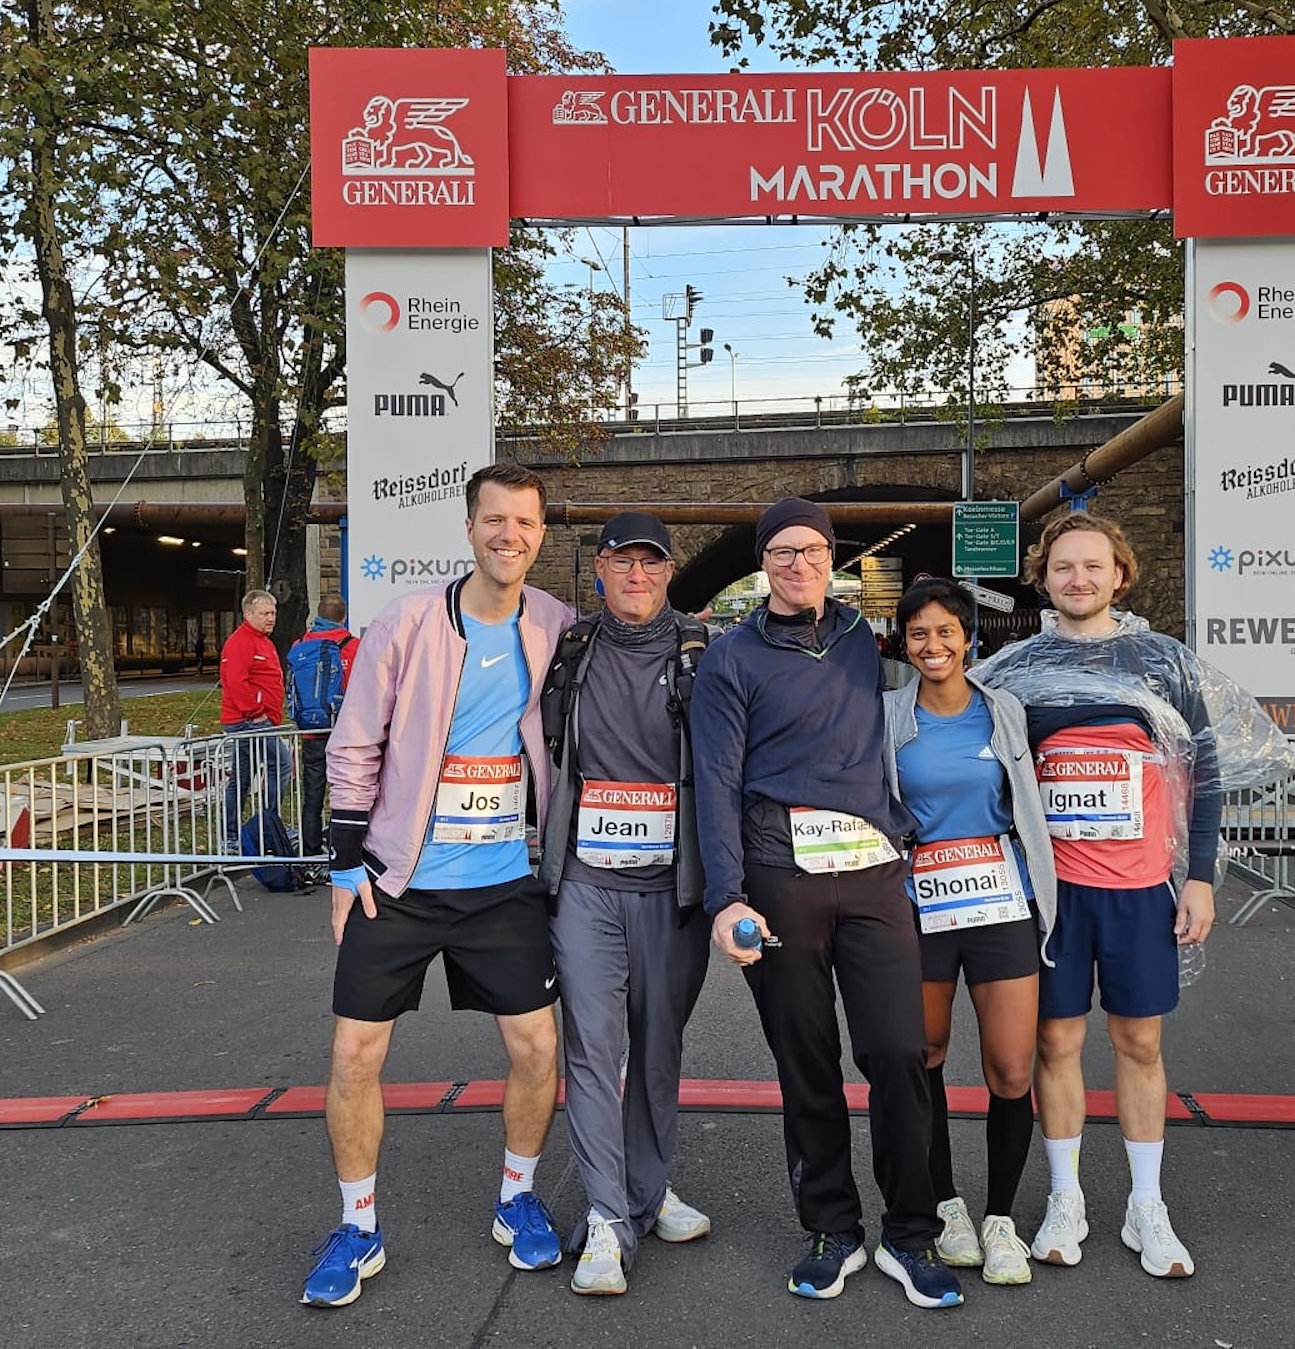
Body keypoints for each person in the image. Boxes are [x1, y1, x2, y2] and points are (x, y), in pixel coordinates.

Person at [306, 464, 577, 1308]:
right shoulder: (410, 620)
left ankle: (516, 1197)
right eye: (494, 519)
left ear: (540, 535)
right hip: (401, 880)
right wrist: (345, 861)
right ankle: (357, 1225)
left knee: (537, 1048)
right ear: (468, 528)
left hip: (504, 883)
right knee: (355, 1053)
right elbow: (355, 741)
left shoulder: (556, 623)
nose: (509, 535)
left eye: (524, 522)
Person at [691, 497, 964, 1310]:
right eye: (782, 551)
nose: (798, 563)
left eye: (811, 549)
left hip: (873, 874)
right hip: (781, 877)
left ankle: (911, 1232)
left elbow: (947, 670)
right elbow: (716, 782)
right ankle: (833, 1228)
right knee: (806, 1062)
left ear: (830, 558)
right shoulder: (730, 658)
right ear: (762, 562)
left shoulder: (861, 639)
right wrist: (725, 896)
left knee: (899, 1052)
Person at [969, 511, 1223, 1280]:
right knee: (1056, 1043)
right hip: (1053, 897)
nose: (1077, 578)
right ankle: (1066, 1195)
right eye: (1063, 567)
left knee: (1140, 1043)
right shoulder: (1016, 671)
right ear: (1043, 579)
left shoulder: (1161, 664)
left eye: (1092, 565)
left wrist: (1200, 875)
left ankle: (1147, 1204)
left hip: (1141, 891)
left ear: (1120, 574)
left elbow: (1204, 769)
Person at [536, 511, 715, 1296]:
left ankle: (646, 1188)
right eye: (621, 561)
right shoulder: (570, 647)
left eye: (651, 562)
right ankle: (608, 1215)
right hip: (586, 881)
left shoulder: (705, 654)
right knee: (591, 1046)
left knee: (657, 1048)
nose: (636, 575)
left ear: (670, 572)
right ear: (600, 569)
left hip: (674, 889)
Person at [881, 578, 1058, 1288]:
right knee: (924, 1054)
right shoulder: (886, 716)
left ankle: (1001, 1218)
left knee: (1011, 1068)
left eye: (946, 631)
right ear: (904, 643)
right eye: (919, 634)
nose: (934, 646)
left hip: (1000, 903)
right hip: (920, 905)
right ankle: (946, 1205)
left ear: (968, 638)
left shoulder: (1005, 710)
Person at [288, 595, 362, 881]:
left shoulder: (299, 645)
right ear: (344, 617)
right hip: (344, 732)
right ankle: (339, 854)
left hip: (311, 732)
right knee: (344, 794)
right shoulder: (354, 646)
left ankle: (310, 857)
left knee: (313, 795)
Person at [220, 589, 290, 851]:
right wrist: (255, 712)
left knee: (243, 777)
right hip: (248, 720)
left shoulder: (263, 641)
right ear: (249, 614)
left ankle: (240, 833)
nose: (271, 618)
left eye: (273, 613)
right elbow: (235, 682)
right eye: (265, 613)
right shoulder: (241, 642)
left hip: (257, 718)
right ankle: (267, 826)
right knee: (281, 763)